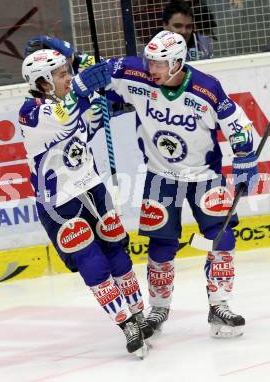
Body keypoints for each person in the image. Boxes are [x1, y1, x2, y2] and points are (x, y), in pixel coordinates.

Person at [98, 30, 258, 338]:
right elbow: (101, 72)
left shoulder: (206, 87)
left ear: (177, 62)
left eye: (159, 64)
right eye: (150, 62)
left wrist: (245, 156)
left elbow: (237, 123)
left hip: (205, 177)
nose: (151, 69)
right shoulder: (137, 75)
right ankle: (157, 309)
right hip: (161, 177)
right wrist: (83, 69)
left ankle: (219, 304)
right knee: (161, 245)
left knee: (221, 237)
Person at [18, 49, 153, 357]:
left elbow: (86, 123)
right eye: (61, 74)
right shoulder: (31, 111)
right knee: (92, 262)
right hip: (59, 201)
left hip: (93, 188)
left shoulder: (66, 101)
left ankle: (138, 313)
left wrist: (103, 94)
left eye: (68, 72)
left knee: (116, 249)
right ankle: (125, 323)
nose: (67, 78)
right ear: (42, 81)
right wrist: (82, 87)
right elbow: (65, 121)